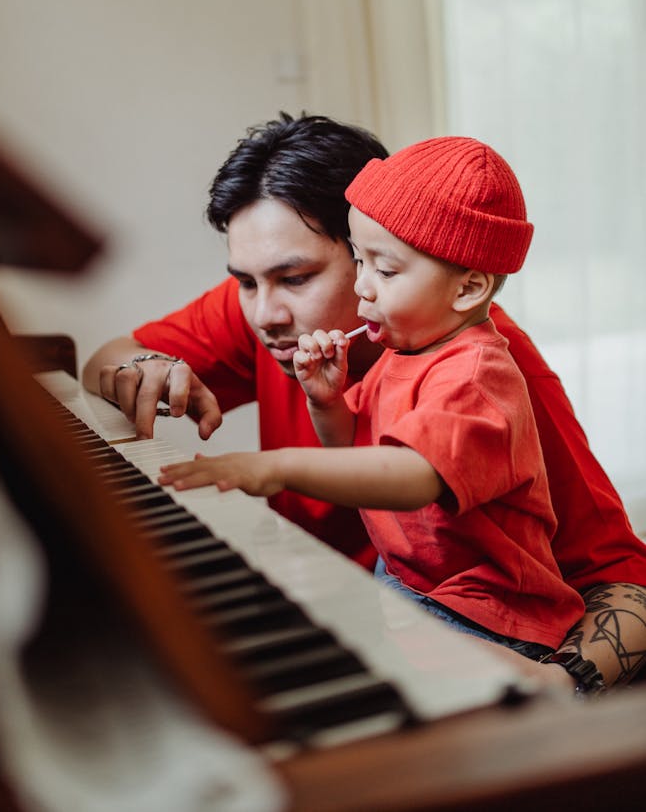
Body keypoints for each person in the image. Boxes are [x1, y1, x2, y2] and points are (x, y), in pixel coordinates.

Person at [83, 112, 646, 690]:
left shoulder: (494, 372)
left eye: (297, 278)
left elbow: (623, 576)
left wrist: (564, 682)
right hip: (350, 610)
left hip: (452, 631)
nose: (263, 316)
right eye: (246, 282)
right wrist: (145, 367)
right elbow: (107, 358)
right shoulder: (270, 315)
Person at [158, 136, 585, 659]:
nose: (363, 287)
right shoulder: (402, 350)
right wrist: (327, 403)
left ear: (469, 289)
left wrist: (275, 467)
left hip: (482, 611)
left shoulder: (476, 373)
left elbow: (412, 479)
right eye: (359, 262)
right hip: (410, 581)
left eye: (384, 270)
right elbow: (351, 452)